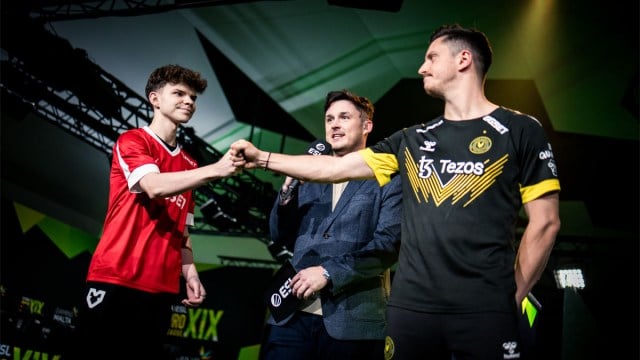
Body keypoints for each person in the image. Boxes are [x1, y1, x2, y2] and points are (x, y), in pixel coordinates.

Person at [231, 24, 561, 360]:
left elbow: (546, 223)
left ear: (464, 59)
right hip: (409, 311)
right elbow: (332, 168)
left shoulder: (520, 129)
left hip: (484, 311)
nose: (422, 67)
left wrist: (512, 295)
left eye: (431, 57)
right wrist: (263, 158)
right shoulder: (411, 138)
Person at [66, 64, 241, 360]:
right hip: (116, 278)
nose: (189, 101)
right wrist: (218, 169)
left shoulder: (190, 166)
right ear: (155, 99)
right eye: (179, 93)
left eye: (193, 97)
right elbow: (153, 186)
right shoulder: (133, 141)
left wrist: (191, 273)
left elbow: (182, 231)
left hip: (161, 290)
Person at [260, 90, 402, 360]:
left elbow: (387, 246)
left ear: (366, 125)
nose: (334, 124)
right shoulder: (308, 175)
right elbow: (279, 235)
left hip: (353, 322)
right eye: (329, 119)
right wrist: (288, 190)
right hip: (290, 317)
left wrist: (327, 273)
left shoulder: (387, 177)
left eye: (344, 117)